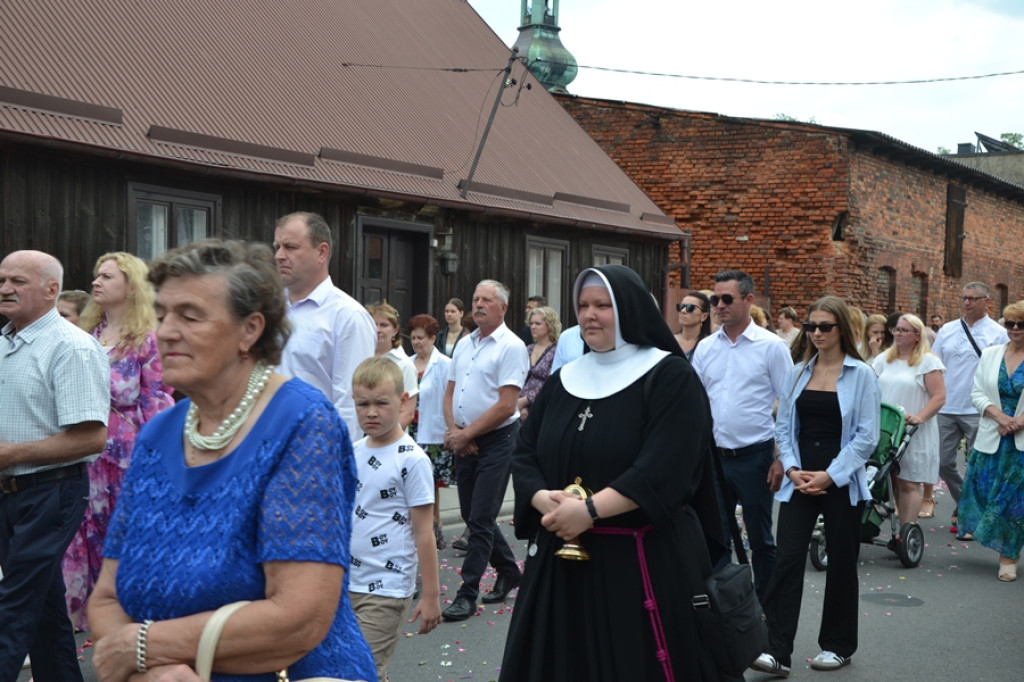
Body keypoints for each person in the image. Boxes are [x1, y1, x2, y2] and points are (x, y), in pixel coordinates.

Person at [89, 240, 376, 681]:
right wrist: (155, 673)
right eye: (163, 313)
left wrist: (144, 647)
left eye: (190, 315)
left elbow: (299, 618)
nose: (165, 331)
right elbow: (106, 597)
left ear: (250, 330)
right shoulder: (156, 435)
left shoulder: (301, 423)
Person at [500, 265, 728, 681]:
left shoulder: (669, 377)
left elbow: (666, 467)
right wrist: (542, 499)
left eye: (602, 305)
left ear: (628, 309)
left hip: (639, 563)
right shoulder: (564, 380)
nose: (590, 315)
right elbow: (525, 452)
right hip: (560, 562)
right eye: (583, 305)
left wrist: (588, 511)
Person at [751, 296, 880, 677]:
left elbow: (866, 437)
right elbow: (783, 428)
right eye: (811, 327)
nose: (817, 333)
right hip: (799, 479)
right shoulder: (797, 372)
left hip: (840, 480)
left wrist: (830, 475)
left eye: (825, 326)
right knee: (787, 561)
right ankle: (776, 650)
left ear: (842, 328)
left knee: (841, 562)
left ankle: (838, 645)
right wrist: (792, 470)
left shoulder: (862, 375)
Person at [0, 250, 110, 682]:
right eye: (3, 279)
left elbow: (91, 438)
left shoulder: (73, 347)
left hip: (52, 491)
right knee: (43, 609)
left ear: (51, 290)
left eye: (18, 281)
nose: (6, 288)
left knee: (13, 604)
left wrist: (11, 455)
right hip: (11, 492)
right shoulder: (6, 341)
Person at [62, 252, 175, 631]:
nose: (96, 281)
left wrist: (156, 463)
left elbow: (158, 403)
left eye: (107, 276)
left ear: (130, 286)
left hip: (126, 456)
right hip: (81, 451)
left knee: (122, 536)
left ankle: (127, 621)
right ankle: (86, 625)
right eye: (96, 275)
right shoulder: (84, 336)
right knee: (82, 534)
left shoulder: (147, 340)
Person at [691, 270, 792, 600]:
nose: (719, 305)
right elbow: (693, 401)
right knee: (715, 535)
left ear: (749, 300)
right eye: (714, 300)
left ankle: (765, 608)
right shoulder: (706, 348)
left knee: (761, 539)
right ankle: (726, 610)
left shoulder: (772, 347)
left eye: (727, 299)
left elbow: (789, 405)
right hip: (713, 458)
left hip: (754, 456)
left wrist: (781, 458)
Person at [440, 280, 528, 622]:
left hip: (497, 441)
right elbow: (450, 393)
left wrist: (469, 434)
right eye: (475, 299)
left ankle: (467, 592)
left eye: (486, 300)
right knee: (472, 514)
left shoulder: (511, 346)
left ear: (503, 308)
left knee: (480, 518)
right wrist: (455, 431)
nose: (478, 305)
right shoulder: (464, 343)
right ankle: (508, 570)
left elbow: (507, 406)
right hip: (464, 438)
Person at [349, 356, 440, 680]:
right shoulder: (354, 451)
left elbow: (424, 532)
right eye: (363, 404)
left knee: (362, 671)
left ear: (403, 402)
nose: (371, 412)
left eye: (381, 403)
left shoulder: (412, 460)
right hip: (346, 583)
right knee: (356, 669)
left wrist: (430, 595)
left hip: (387, 588)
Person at [273, 211, 376, 440]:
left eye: (290, 247)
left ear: (321, 252)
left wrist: (335, 465)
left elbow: (351, 403)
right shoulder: (269, 310)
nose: (279, 255)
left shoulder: (348, 317)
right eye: (277, 246)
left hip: (313, 452)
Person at [929, 283, 1008, 530]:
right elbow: (934, 363)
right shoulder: (948, 330)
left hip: (980, 408)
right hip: (947, 405)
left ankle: (968, 514)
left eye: (973, 299)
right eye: (964, 298)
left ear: (987, 302)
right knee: (942, 462)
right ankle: (964, 502)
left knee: (977, 465)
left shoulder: (998, 333)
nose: (967, 303)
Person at [957, 301, 1024, 581]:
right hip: (993, 434)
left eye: (1021, 324)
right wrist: (1000, 417)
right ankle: (1000, 540)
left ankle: (1009, 556)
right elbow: (977, 392)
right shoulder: (991, 354)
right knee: (982, 491)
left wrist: (1017, 422)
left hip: (1019, 440)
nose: (1015, 329)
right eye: (1010, 324)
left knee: (1013, 500)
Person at [872, 314, 946, 532]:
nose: (898, 333)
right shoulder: (885, 358)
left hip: (914, 429)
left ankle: (907, 530)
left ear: (917, 336)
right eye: (896, 329)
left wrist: (920, 417)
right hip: (886, 428)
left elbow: (939, 396)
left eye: (904, 330)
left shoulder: (928, 361)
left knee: (908, 482)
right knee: (887, 478)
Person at [407, 314, 455, 550]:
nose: (416, 342)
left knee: (431, 486)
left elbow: (451, 399)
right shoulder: (405, 363)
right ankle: (424, 532)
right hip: (410, 430)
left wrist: (452, 428)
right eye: (414, 338)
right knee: (414, 486)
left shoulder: (444, 364)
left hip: (434, 432)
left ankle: (434, 531)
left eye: (421, 338)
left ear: (433, 338)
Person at [367, 301, 419, 430]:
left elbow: (408, 412)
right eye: (373, 325)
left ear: (395, 330)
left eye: (384, 325)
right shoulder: (360, 358)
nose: (378, 330)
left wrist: (383, 438)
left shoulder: (404, 364)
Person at [517, 305, 561, 422]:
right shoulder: (528, 349)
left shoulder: (556, 351)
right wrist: (521, 406)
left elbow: (552, 382)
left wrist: (525, 401)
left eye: (537, 324)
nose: (533, 327)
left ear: (549, 325)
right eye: (531, 324)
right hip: (518, 408)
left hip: (543, 407)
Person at [674, 291, 712, 360]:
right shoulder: (670, 340)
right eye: (681, 307)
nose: (683, 311)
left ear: (704, 316)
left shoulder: (709, 345)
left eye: (690, 308)